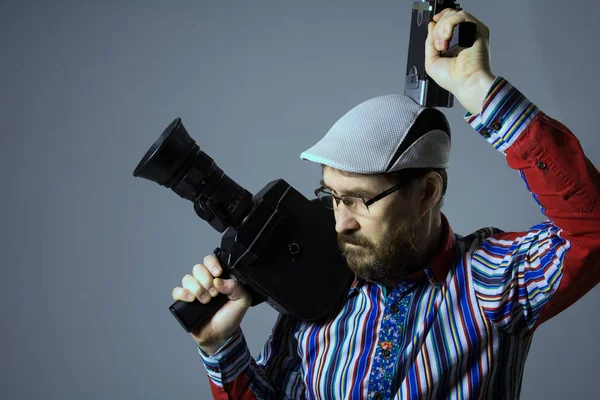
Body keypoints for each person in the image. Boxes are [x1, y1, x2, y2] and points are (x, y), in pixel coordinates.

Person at [172, 9, 600, 399]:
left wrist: (477, 88)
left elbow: (593, 229)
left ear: (427, 192)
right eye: (332, 198)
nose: (341, 224)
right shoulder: (316, 289)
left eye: (359, 200)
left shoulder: (491, 279)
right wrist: (219, 346)